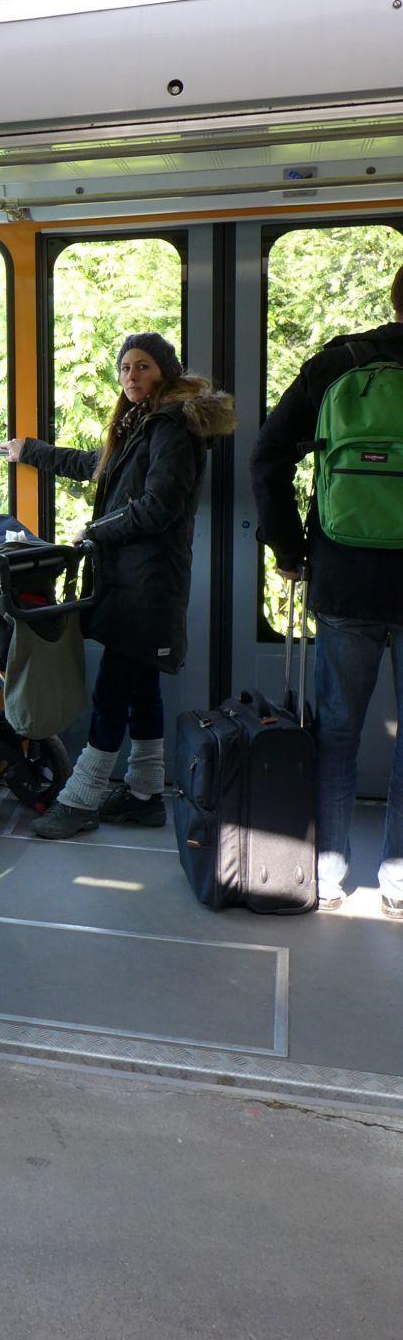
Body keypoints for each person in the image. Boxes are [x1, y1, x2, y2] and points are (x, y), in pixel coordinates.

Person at [3, 333, 236, 839]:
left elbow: (159, 507)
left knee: (112, 692)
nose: (132, 375)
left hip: (146, 585)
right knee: (142, 688)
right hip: (136, 581)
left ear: (165, 372)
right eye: (126, 367)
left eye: (144, 366)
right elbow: (97, 466)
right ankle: (145, 795)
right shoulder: (142, 425)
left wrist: (95, 531)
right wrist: (32, 451)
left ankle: (80, 800)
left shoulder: (171, 427)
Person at [251, 263, 403, 918]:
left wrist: (289, 549)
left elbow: (267, 456)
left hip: (343, 579)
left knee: (336, 731)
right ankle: (399, 883)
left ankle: (329, 875)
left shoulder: (339, 362)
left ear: (394, 300)